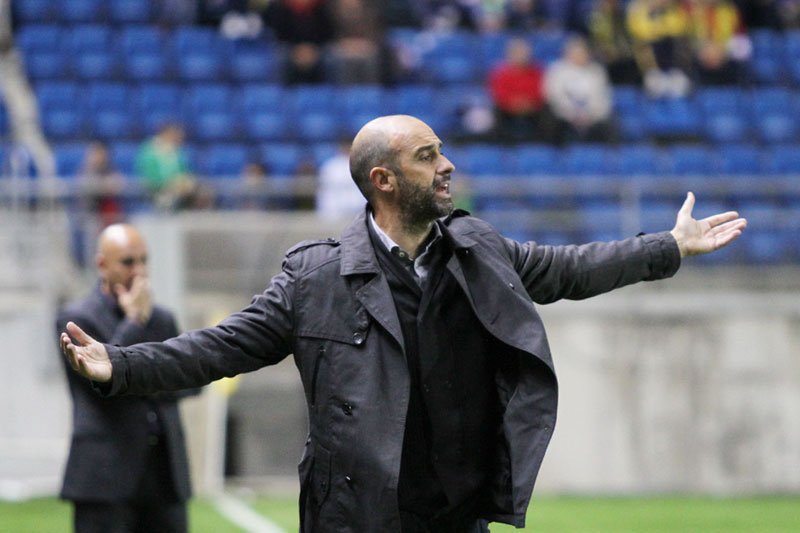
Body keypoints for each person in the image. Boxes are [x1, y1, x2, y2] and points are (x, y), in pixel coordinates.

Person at [61, 115, 747, 533]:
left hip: (456, 514)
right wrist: (122, 365)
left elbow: (569, 268)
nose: (446, 164)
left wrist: (668, 246)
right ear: (383, 180)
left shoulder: (480, 248)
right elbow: (219, 348)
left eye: (441, 149)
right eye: (427, 156)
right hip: (355, 519)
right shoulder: (314, 276)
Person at [56, 224, 195, 533]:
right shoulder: (76, 318)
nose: (140, 271)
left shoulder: (161, 318)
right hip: (104, 476)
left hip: (163, 472)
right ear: (102, 265)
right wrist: (134, 321)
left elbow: (189, 380)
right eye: (128, 262)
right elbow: (102, 383)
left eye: (144, 260)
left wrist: (147, 374)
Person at [544, 36, 617, 144]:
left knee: (611, 123)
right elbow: (554, 96)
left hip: (592, 115)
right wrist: (573, 113)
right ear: (568, 54)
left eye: (583, 53)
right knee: (551, 121)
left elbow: (603, 98)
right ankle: (555, 155)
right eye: (576, 53)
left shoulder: (597, 71)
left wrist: (590, 114)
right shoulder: (557, 71)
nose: (580, 56)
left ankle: (611, 157)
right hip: (565, 114)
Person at [487, 38, 549, 142]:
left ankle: (542, 144)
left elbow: (542, 91)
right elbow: (498, 93)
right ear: (510, 54)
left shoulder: (537, 72)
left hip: (533, 108)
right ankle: (502, 144)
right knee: (496, 112)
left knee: (548, 113)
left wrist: (528, 103)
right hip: (508, 109)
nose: (521, 56)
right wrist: (514, 103)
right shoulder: (501, 73)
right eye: (517, 53)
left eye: (523, 53)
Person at [316, 139, 365, 221]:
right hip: (334, 213)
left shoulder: (361, 165)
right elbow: (324, 192)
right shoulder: (330, 166)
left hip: (357, 211)